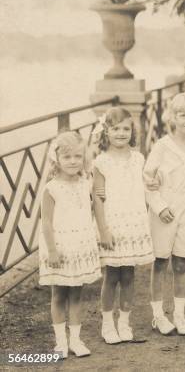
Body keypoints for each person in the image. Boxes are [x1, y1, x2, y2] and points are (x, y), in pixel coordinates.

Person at [143, 93, 185, 336]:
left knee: (181, 262)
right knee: (160, 261)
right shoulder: (162, 145)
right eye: (183, 115)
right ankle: (158, 315)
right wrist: (159, 206)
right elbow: (148, 179)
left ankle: (179, 314)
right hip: (164, 211)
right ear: (172, 117)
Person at [92, 107, 155, 344]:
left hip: (134, 223)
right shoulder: (102, 162)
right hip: (112, 224)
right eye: (115, 128)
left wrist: (155, 182)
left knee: (129, 274)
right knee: (111, 276)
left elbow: (147, 185)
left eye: (126, 128)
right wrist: (103, 229)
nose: (121, 133)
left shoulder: (139, 158)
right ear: (106, 132)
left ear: (132, 131)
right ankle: (108, 324)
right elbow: (97, 198)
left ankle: (124, 322)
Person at [39, 131, 101, 358]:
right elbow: (45, 222)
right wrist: (52, 250)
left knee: (77, 294)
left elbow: (92, 210)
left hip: (80, 245)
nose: (73, 161)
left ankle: (75, 339)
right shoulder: (51, 188)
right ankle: (60, 342)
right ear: (57, 159)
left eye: (77, 156)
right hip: (59, 247)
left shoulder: (86, 183)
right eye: (67, 157)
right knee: (58, 294)